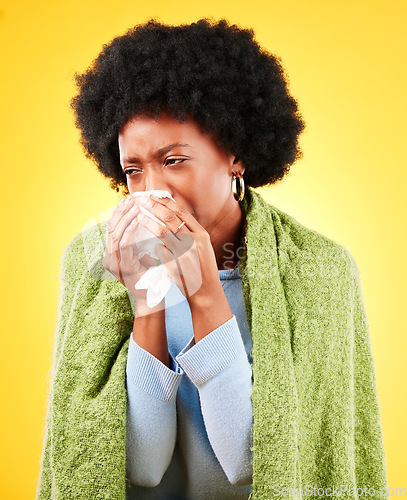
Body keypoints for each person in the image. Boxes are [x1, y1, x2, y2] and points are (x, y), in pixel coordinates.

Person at [36, 18, 388, 500]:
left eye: (174, 160)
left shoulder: (319, 271)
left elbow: (254, 463)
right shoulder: (97, 264)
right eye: (133, 170)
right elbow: (138, 468)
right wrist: (147, 301)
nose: (153, 191)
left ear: (235, 155)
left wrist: (205, 293)